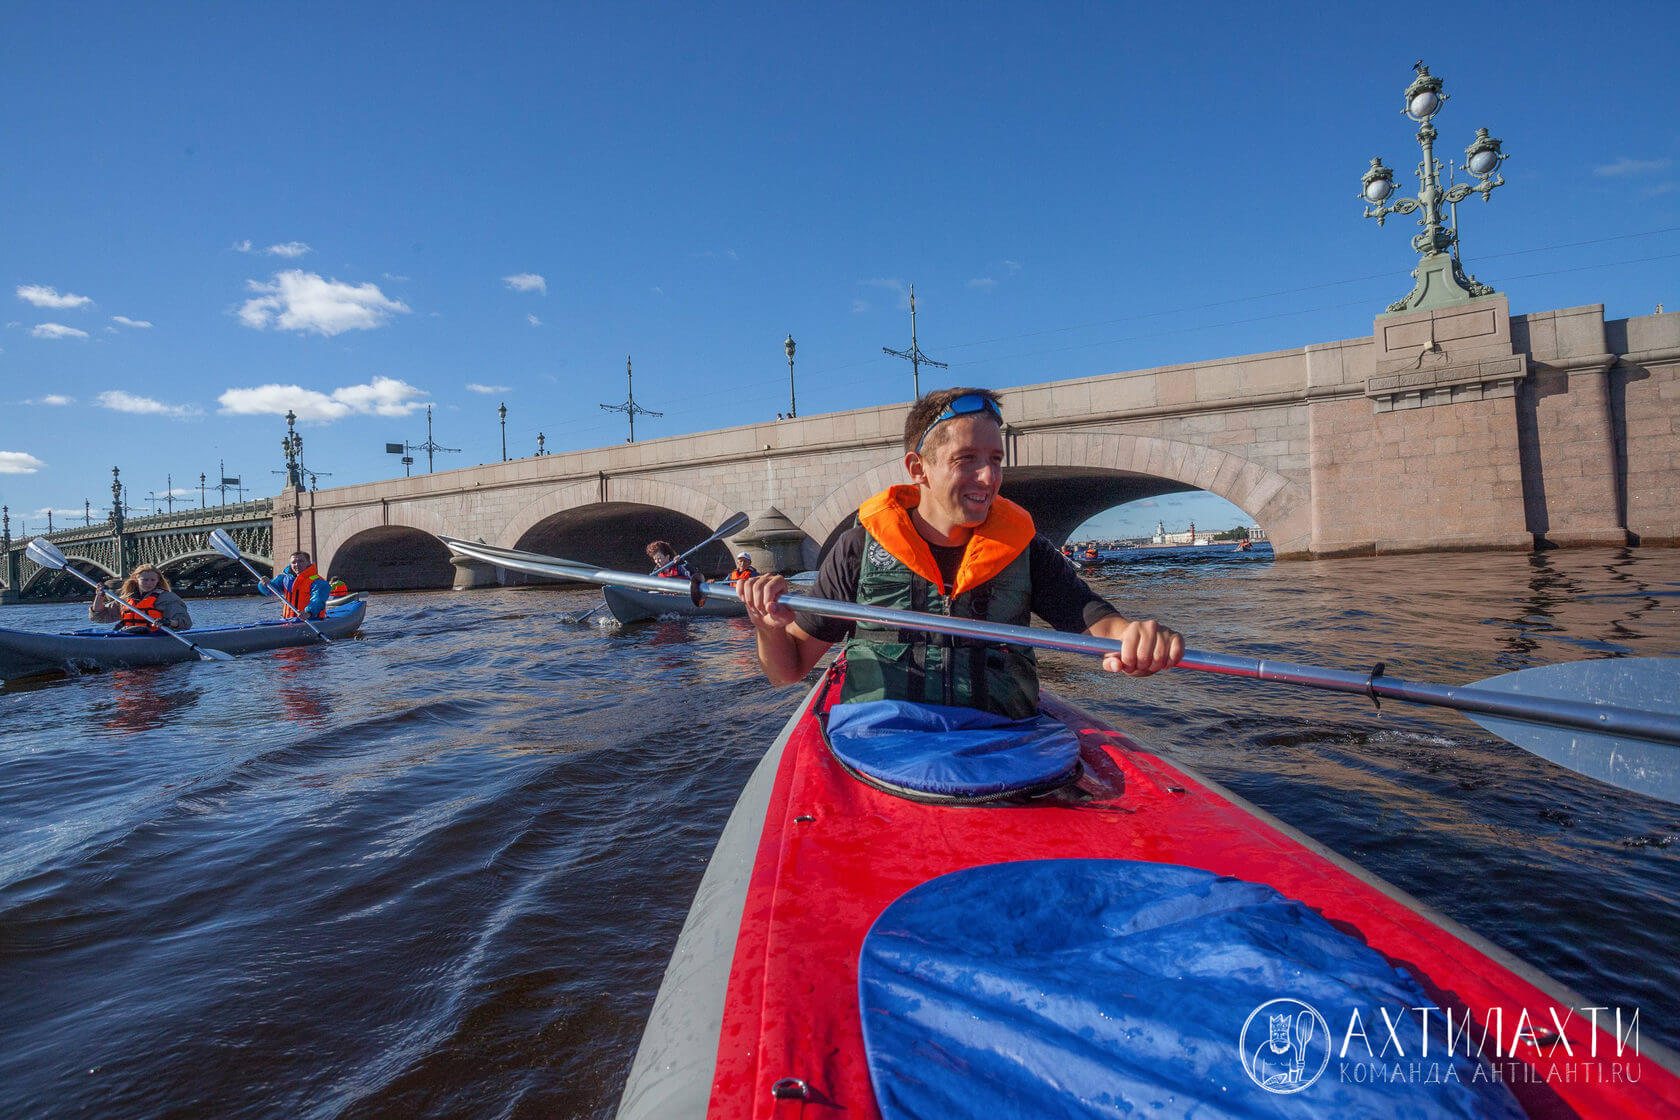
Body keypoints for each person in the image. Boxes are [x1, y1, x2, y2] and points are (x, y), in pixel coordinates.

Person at [738, 387, 1184, 719]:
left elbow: (1104, 628)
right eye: (966, 459)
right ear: (919, 470)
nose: (989, 476)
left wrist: (1141, 640)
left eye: (995, 458)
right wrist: (766, 624)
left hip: (1002, 744)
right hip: (881, 748)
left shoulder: (1026, 551)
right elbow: (789, 670)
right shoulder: (857, 550)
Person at [90, 564, 193, 634]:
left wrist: (168, 622)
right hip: (128, 636)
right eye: (145, 580)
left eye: (153, 580)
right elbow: (98, 616)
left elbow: (185, 623)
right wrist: (99, 596)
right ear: (136, 579)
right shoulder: (126, 599)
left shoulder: (167, 598)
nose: (149, 583)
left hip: (155, 637)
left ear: (158, 581)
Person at [267, 550, 329, 621]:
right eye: (293, 562)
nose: (297, 564)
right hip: (288, 620)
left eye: (301, 561)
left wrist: (308, 612)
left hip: (311, 619)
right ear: (290, 565)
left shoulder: (318, 582)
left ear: (308, 563)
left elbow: (318, 600)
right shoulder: (284, 579)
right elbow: (268, 591)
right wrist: (265, 584)